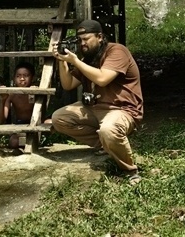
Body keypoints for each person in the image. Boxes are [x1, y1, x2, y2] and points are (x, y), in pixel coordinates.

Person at [46, 19, 144, 185]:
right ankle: (106, 146)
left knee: (108, 129)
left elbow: (102, 78)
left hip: (121, 110)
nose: (82, 44)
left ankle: (130, 170)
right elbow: (68, 84)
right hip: (95, 108)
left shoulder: (117, 51)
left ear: (100, 37)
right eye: (80, 40)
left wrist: (75, 61)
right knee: (59, 118)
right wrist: (62, 61)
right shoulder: (88, 59)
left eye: (86, 39)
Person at [0, 61, 38, 149]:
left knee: (49, 123)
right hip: (20, 125)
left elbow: (42, 112)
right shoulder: (12, 94)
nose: (22, 79)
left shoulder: (37, 91)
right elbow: (1, 120)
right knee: (14, 142)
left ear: (32, 78)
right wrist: (2, 100)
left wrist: (36, 93)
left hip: (37, 124)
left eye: (26, 76)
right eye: (18, 76)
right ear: (14, 78)